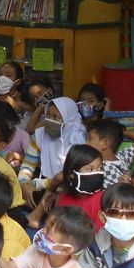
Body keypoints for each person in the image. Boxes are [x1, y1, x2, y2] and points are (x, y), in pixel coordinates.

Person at [20, 97, 87, 228]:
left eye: (56, 117)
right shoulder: (39, 136)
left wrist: (37, 184)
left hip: (66, 188)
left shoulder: (79, 141)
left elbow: (70, 177)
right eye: (48, 115)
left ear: (69, 120)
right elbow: (28, 164)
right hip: (42, 184)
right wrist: (24, 183)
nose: (50, 120)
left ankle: (40, 213)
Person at [54, 144, 105, 231]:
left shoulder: (102, 199)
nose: (97, 173)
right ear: (72, 175)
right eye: (90, 169)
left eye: (100, 168)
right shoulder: (62, 197)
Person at [87, 119, 134, 189]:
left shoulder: (96, 168)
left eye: (90, 139)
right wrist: (122, 133)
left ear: (104, 143)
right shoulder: (123, 157)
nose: (86, 143)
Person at [0, 100, 29, 167]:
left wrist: (16, 156)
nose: (3, 127)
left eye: (6, 123)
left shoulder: (22, 136)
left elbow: (32, 159)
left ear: (13, 120)